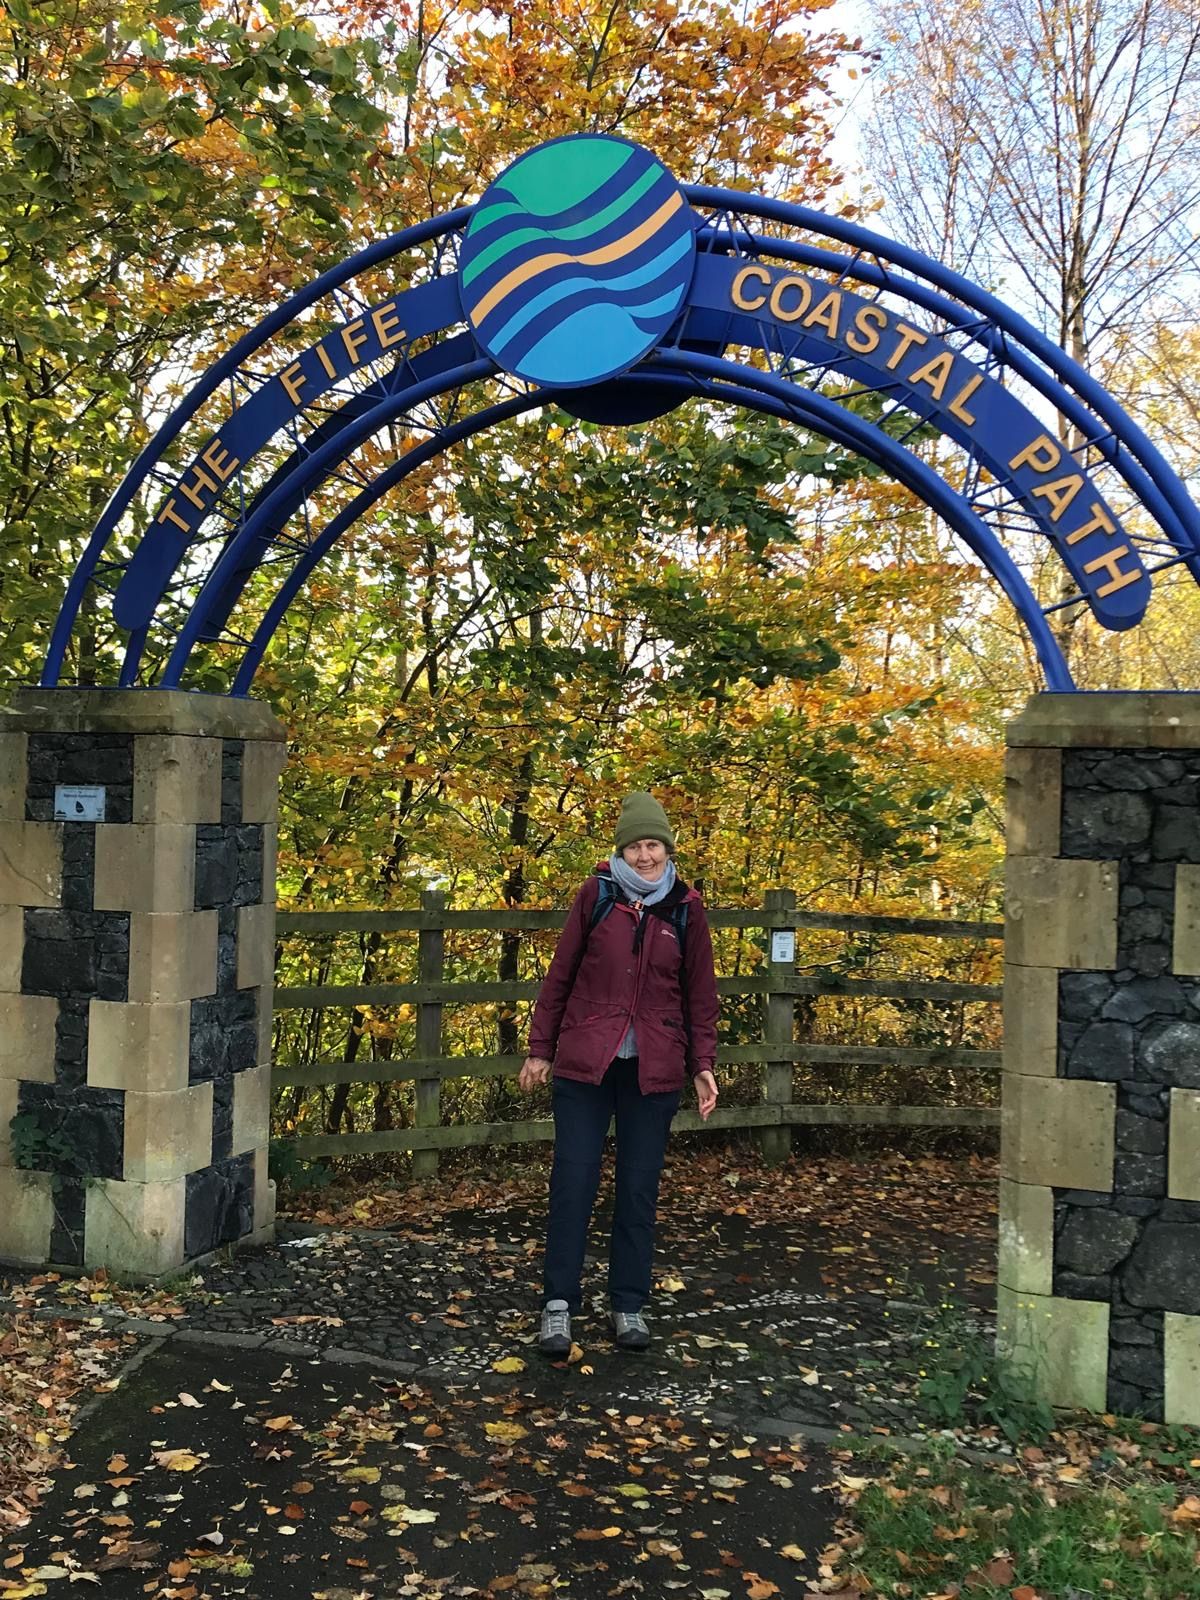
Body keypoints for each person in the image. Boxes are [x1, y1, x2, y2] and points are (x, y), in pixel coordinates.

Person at [518, 792, 719, 1358]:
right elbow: (559, 976)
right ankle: (558, 1305)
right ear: (622, 851)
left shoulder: (686, 908)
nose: (646, 855)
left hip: (653, 1072)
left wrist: (702, 1066)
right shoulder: (596, 895)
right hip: (586, 1064)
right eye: (637, 846)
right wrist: (540, 1048)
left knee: (637, 1189)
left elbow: (700, 995)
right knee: (573, 1183)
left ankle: (627, 1303)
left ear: (667, 849)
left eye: (654, 845)